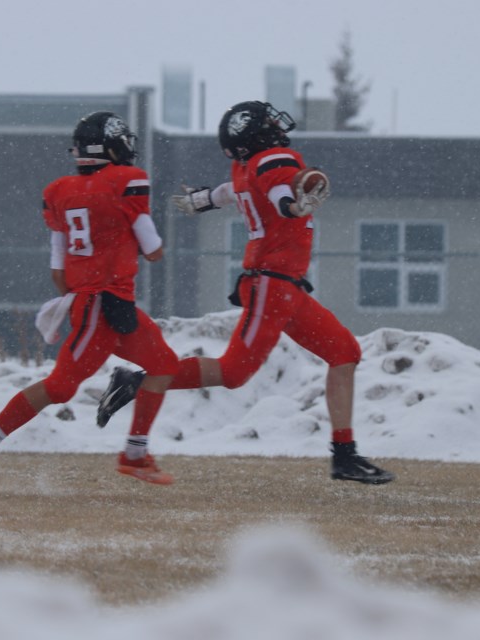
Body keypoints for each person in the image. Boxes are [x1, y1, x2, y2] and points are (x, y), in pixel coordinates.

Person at [97, 100, 395, 485]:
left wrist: (202, 200)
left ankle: (344, 455)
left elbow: (233, 190)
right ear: (255, 132)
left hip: (285, 287)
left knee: (344, 352)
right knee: (234, 372)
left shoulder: (248, 166)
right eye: (268, 121)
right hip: (271, 284)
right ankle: (139, 380)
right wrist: (292, 206)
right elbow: (276, 194)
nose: (276, 124)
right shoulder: (275, 158)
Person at [0, 111, 179, 492]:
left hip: (105, 304)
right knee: (60, 387)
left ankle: (135, 452)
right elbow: (154, 248)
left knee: (163, 363)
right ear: (110, 146)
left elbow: (58, 273)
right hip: (101, 305)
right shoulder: (125, 181)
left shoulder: (61, 192)